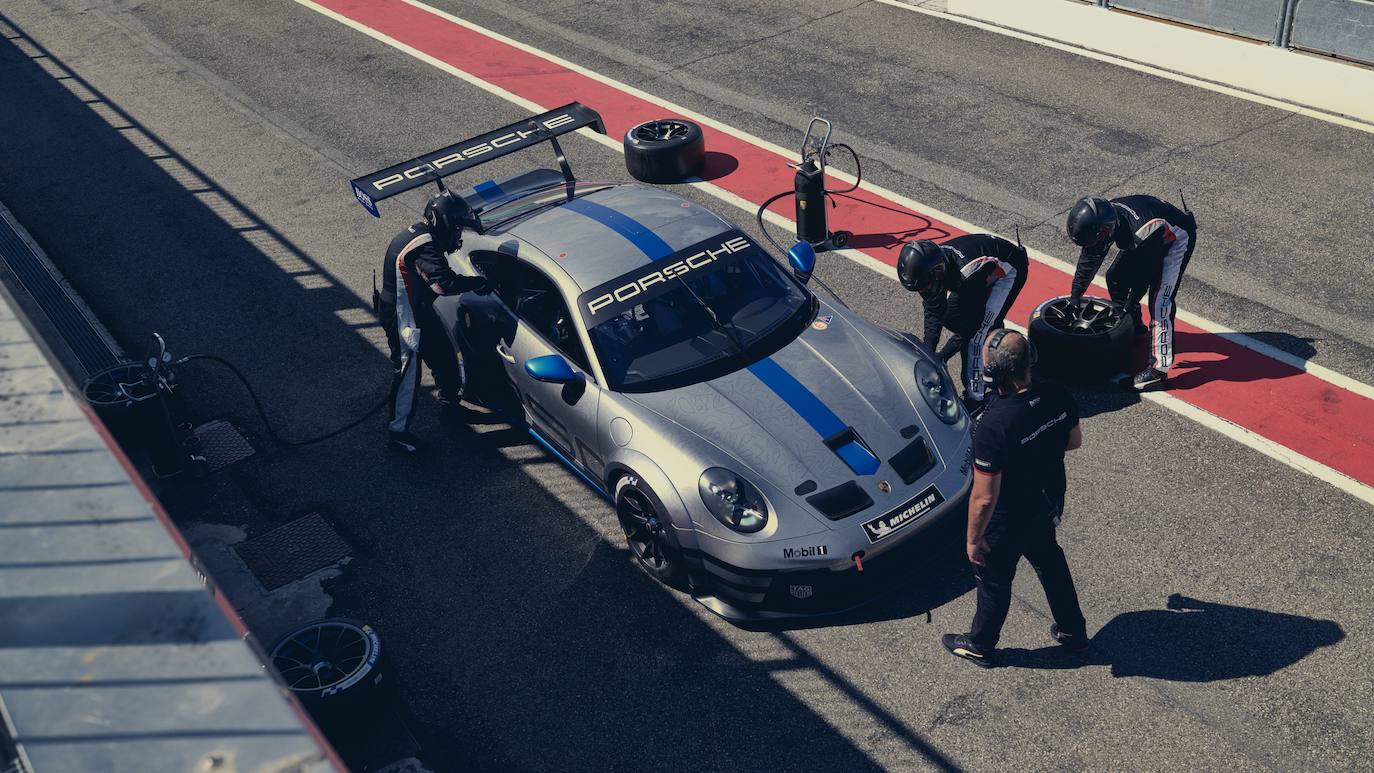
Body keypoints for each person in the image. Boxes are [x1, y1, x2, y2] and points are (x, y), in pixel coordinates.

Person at [942, 329, 1088, 668]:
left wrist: (973, 539)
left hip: (1006, 520)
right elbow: (1074, 441)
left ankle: (979, 644)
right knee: (1051, 563)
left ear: (994, 374)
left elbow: (983, 497)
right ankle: (1073, 632)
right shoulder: (1056, 393)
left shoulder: (993, 426)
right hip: (1046, 502)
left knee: (993, 580)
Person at [375, 190, 487, 454]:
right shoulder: (425, 245)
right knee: (407, 374)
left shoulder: (423, 235)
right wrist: (479, 282)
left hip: (418, 309)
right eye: (457, 228)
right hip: (403, 316)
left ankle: (450, 408)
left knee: (445, 358)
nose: (458, 235)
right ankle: (397, 433)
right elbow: (442, 283)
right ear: (445, 223)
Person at [1066, 194, 1197, 391]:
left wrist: (1129, 305)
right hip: (1149, 233)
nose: (1095, 245)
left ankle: (1158, 373)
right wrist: (1075, 295)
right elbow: (1091, 256)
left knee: (1160, 301)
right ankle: (1135, 327)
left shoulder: (1141, 234)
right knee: (1114, 277)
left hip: (1176, 239)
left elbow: (1144, 276)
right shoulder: (1104, 216)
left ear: (1106, 229)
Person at [897, 234, 1028, 412]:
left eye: (925, 286)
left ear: (937, 272)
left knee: (977, 337)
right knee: (958, 319)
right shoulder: (932, 265)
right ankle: (998, 353)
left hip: (1009, 271)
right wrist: (928, 354)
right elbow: (933, 314)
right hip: (980, 273)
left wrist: (943, 355)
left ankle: (976, 398)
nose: (924, 291)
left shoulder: (965, 272)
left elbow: (971, 328)